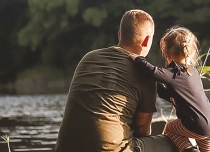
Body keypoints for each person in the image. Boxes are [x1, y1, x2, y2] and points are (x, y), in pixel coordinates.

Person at [55, 9, 178, 152]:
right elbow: (142, 130)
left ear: (119, 35)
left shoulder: (89, 58)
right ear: (146, 41)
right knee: (179, 142)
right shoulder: (145, 73)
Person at [129, 26, 210, 152]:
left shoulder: (174, 72)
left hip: (194, 125)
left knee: (170, 128)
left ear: (167, 52)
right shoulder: (193, 72)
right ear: (191, 50)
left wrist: (137, 58)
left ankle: (188, 149)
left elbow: (150, 71)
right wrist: (155, 84)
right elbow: (168, 94)